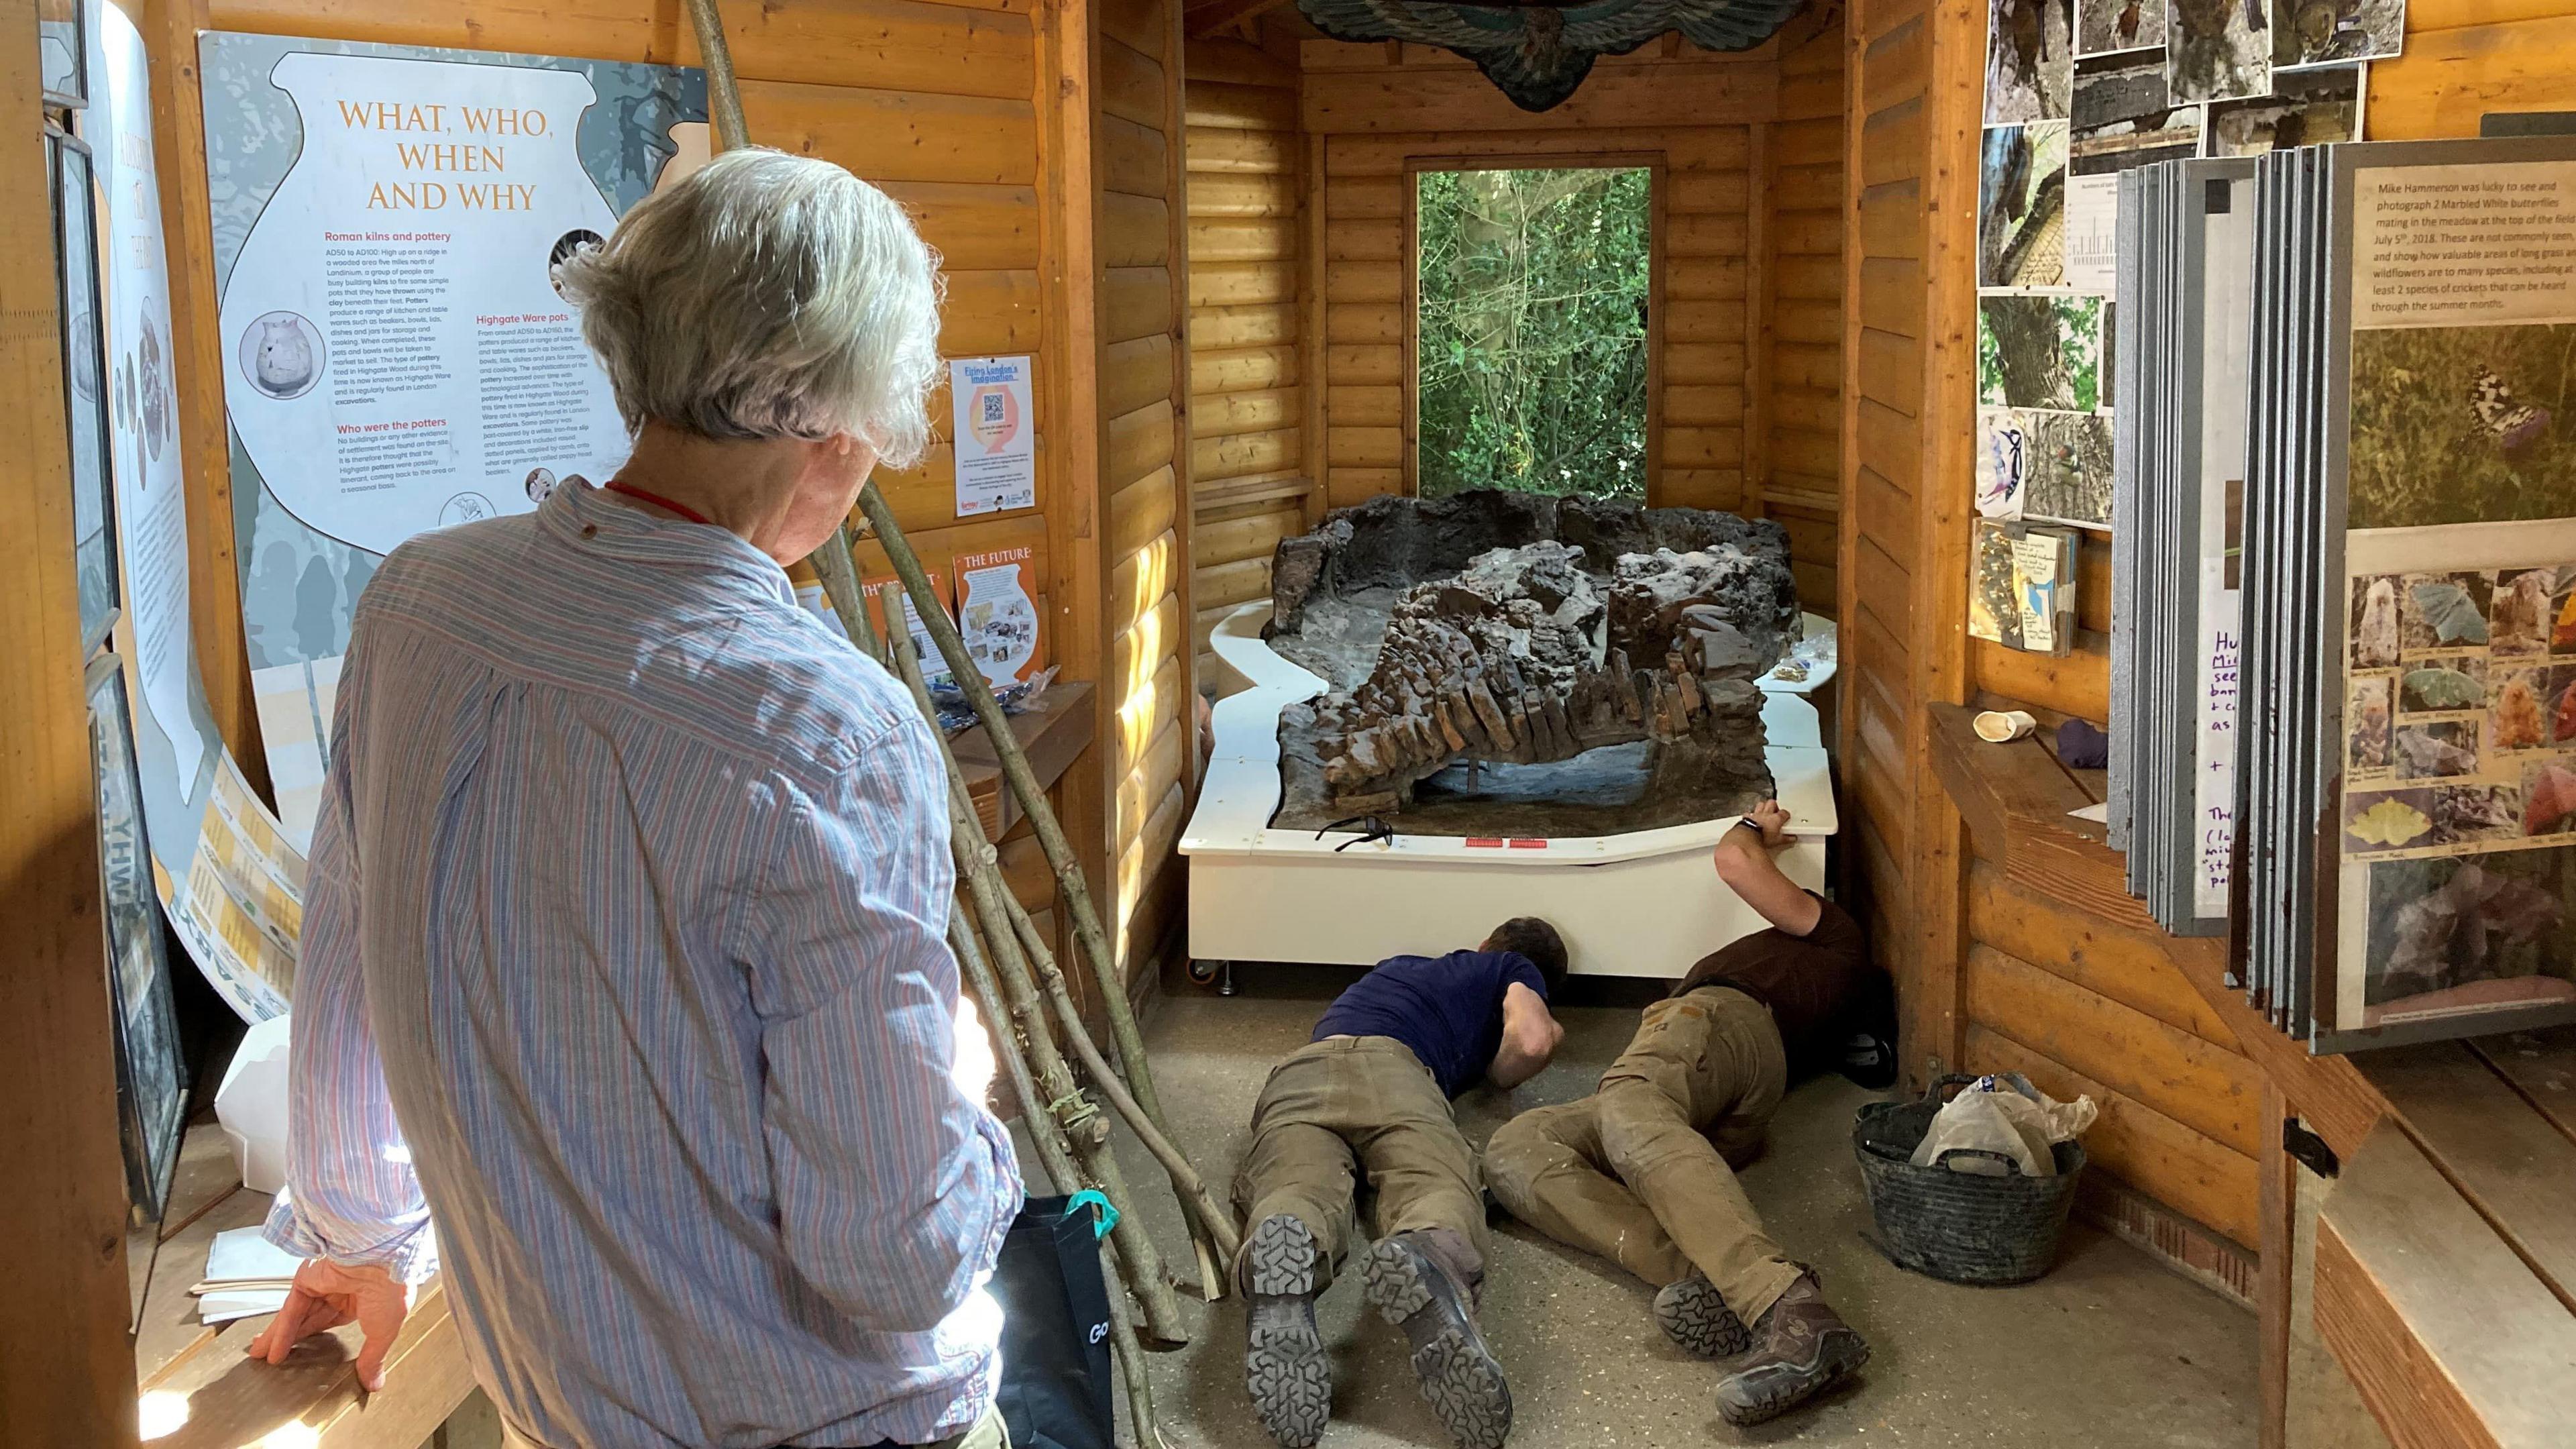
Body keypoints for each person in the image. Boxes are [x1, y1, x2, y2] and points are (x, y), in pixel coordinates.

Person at [245, 148, 1025, 1449]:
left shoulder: (416, 603)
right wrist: (967, 1087)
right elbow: (898, 1259)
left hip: (547, 1410)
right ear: (841, 438)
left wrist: (357, 1234)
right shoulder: (830, 730)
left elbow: (345, 961)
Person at [1484, 800, 1894, 1428]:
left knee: (1629, 1103)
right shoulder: (1822, 980)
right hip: (1722, 1091)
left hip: (1722, 1028)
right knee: (1517, 1147)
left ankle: (1794, 1310)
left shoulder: (1837, 937)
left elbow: (1733, 859)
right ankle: (1709, 1278)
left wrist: (1759, 826)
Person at [1235, 918, 1569, 1449]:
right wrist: (1500, 1070)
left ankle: (1287, 1231)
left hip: (1303, 1069)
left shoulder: (1400, 966)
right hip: (1396, 1072)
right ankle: (1433, 1251)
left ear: (1485, 938)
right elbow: (1530, 1041)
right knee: (1431, 1178)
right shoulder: (1512, 968)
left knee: (1295, 1178)